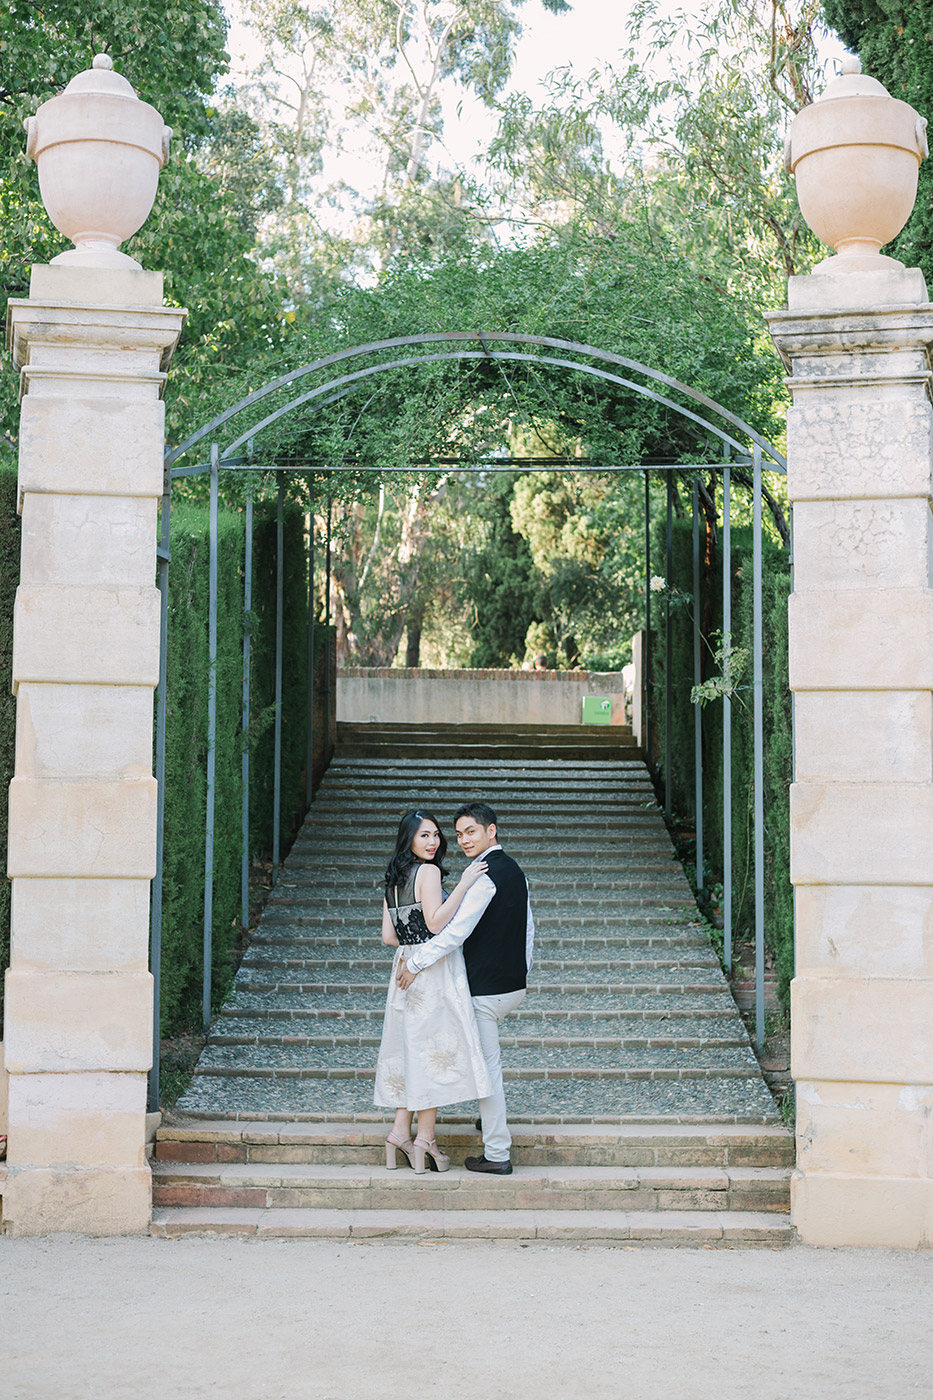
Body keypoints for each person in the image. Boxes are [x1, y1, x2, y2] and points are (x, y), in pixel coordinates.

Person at [397, 802, 534, 1175]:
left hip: (485, 990)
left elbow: (455, 932)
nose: (463, 840)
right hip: (511, 986)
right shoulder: (515, 871)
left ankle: (497, 1153)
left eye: (470, 831)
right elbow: (529, 930)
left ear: (492, 830)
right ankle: (492, 1121)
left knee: (488, 1071)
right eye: (457, 834)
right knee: (482, 1064)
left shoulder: (485, 876)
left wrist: (416, 961)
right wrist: (523, 970)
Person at [374, 809, 493, 1174]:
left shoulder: (393, 878)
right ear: (408, 838)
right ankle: (424, 1140)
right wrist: (464, 883)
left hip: (403, 968)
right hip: (431, 968)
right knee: (433, 1052)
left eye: (436, 835)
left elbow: (389, 937)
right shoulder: (428, 872)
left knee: (412, 1051)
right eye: (424, 835)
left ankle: (401, 1132)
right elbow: (436, 922)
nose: (433, 842)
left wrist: (410, 951)